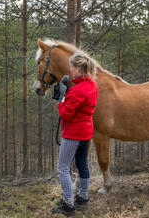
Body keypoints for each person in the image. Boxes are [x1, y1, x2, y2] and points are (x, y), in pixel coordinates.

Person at [52, 50, 98, 217]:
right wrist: (67, 94)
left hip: (73, 133)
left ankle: (69, 204)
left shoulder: (77, 90)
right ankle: (83, 197)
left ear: (78, 69)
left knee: (63, 167)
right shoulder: (92, 85)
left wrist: (61, 99)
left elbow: (66, 114)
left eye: (71, 67)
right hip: (86, 132)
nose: (70, 70)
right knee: (82, 164)